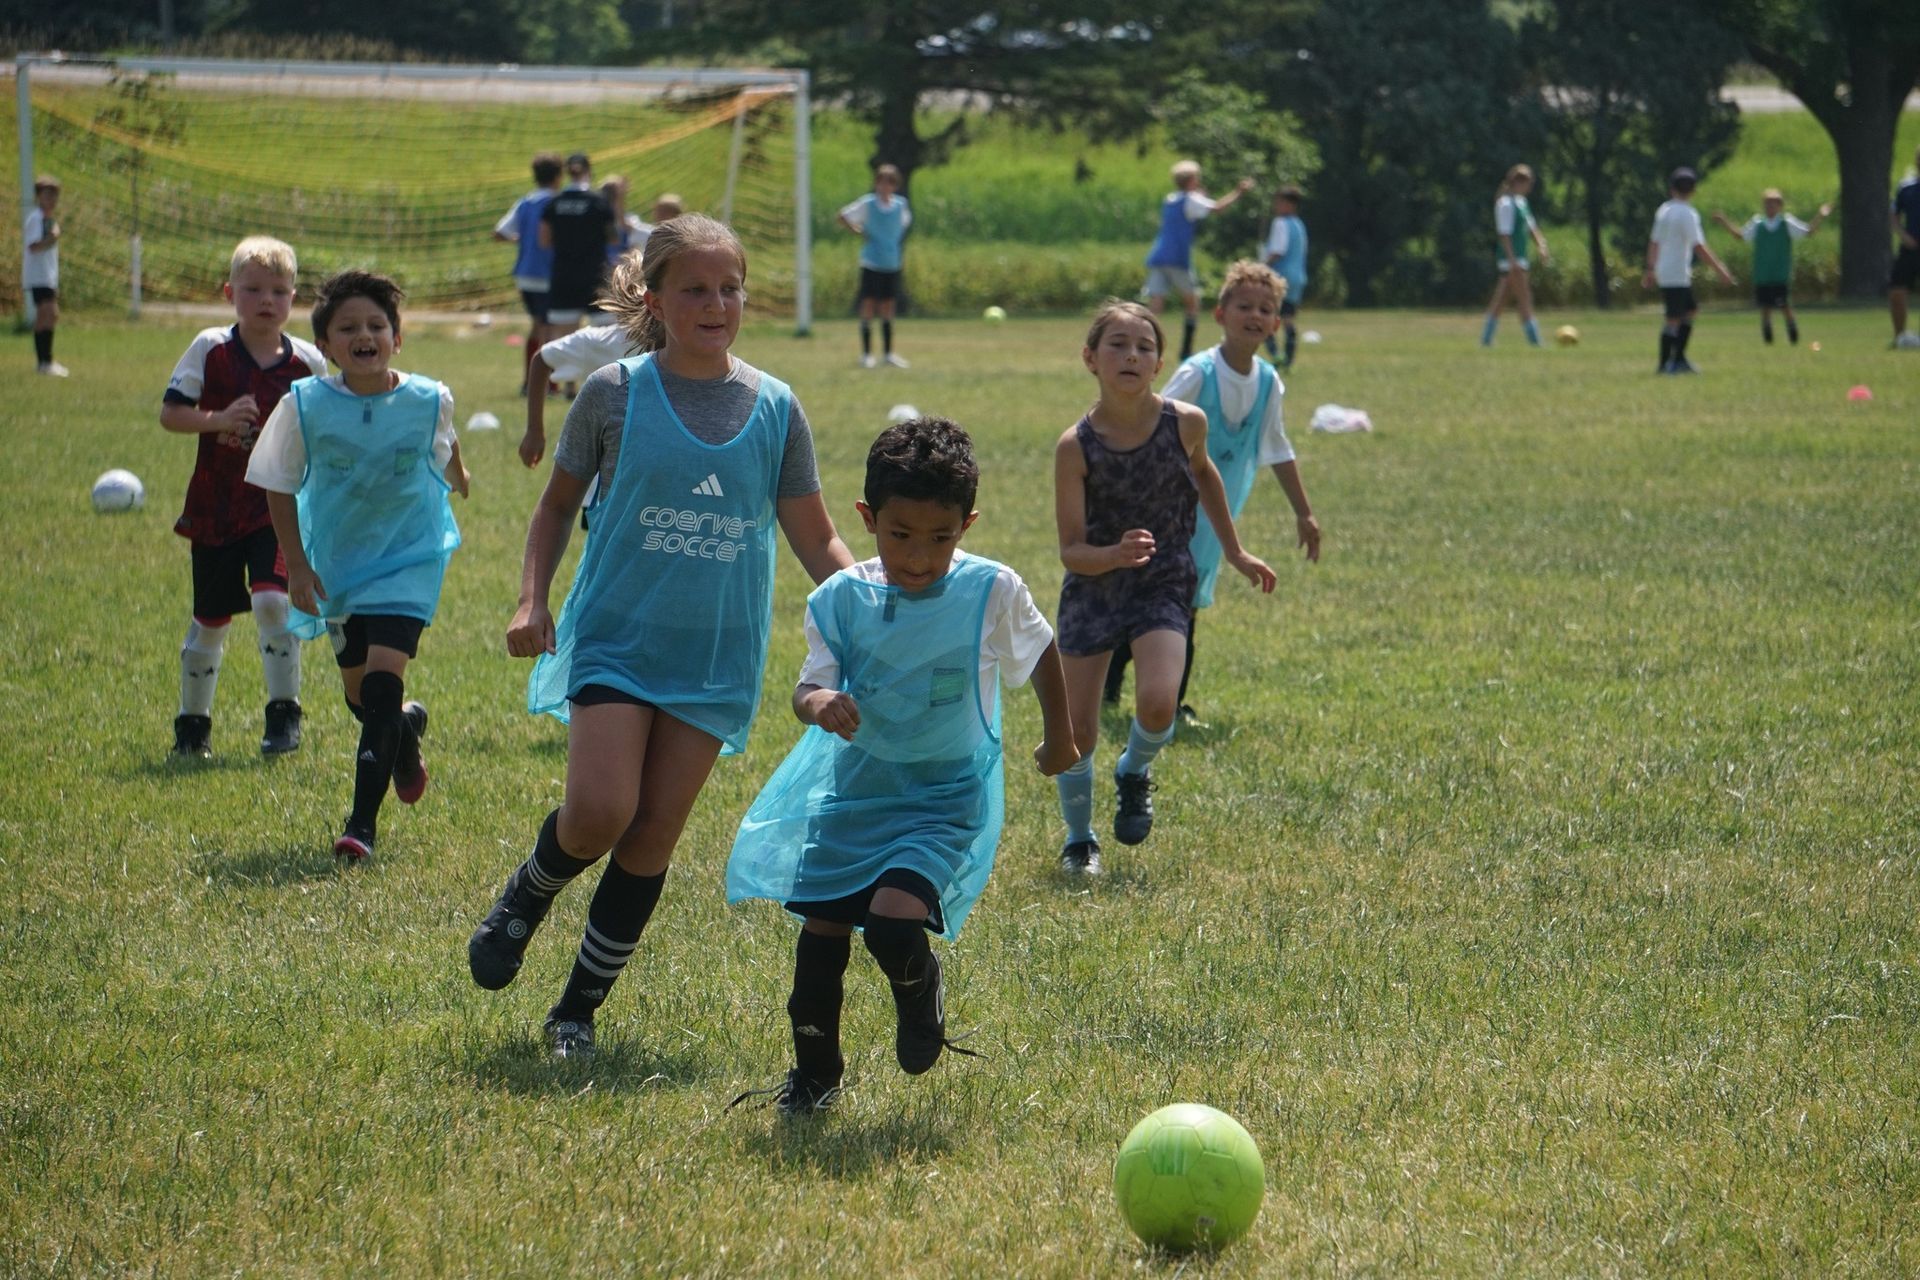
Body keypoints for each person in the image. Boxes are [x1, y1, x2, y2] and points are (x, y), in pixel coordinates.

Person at [468, 215, 855, 1061]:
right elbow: (556, 507)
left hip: (715, 653)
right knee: (602, 813)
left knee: (651, 839)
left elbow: (814, 537)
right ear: (655, 298)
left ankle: (575, 1010)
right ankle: (528, 894)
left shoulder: (777, 407)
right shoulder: (616, 392)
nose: (715, 304)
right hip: (615, 633)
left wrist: (872, 607)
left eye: (730, 289)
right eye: (695, 289)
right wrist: (532, 601)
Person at [726, 418, 1076, 1113]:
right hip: (855, 798)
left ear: (967, 524)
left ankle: (922, 998)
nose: (919, 558)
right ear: (867, 519)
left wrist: (1060, 736)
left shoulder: (991, 591)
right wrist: (820, 700)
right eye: (900, 537)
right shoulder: (840, 600)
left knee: (891, 922)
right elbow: (805, 687)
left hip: (943, 798)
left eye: (941, 539)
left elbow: (1040, 654)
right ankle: (815, 1080)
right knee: (818, 946)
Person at [246, 270, 470, 861]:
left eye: (376, 325)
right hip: (341, 565)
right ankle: (404, 733)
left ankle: (360, 827)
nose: (363, 335)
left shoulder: (429, 398)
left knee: (379, 683)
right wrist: (295, 565)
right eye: (348, 327)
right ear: (324, 345)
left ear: (397, 337)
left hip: (411, 557)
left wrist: (458, 475)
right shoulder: (305, 405)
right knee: (362, 700)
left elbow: (444, 445)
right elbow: (276, 484)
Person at [1052, 301, 1275, 876]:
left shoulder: (1186, 423)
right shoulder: (1074, 447)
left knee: (1157, 704)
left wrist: (1233, 549)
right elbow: (1070, 550)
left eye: (1144, 347)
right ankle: (1080, 840)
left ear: (1159, 363)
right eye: (1117, 345)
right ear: (1090, 359)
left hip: (1163, 578)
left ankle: (1134, 770)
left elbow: (1203, 471)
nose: (1131, 355)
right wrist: (1114, 555)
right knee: (1076, 733)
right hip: (1094, 586)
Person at [159, 236, 329, 760]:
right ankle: (193, 726)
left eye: (278, 291)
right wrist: (217, 420)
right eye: (253, 289)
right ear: (229, 292)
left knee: (274, 601)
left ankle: (284, 715)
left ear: (294, 298)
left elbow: (328, 425)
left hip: (276, 508)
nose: (266, 300)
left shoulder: (309, 362)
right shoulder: (210, 348)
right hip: (216, 504)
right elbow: (171, 413)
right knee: (210, 617)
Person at [1144, 160, 1253, 362]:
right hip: (1177, 258)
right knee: (1192, 303)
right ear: (1192, 179)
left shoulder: (1170, 199)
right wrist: (1239, 191)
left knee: (1156, 305)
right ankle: (1186, 350)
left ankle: (1146, 342)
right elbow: (1218, 208)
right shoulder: (1192, 199)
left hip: (1159, 255)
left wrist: (1199, 196)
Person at [1644, 167, 1736, 374]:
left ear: (1671, 189)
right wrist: (1720, 269)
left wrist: (1650, 269)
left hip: (1666, 270)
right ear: (1693, 190)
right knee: (1674, 318)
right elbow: (1699, 247)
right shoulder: (1687, 213)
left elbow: (1654, 242)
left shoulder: (1664, 210)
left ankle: (1678, 359)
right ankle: (1666, 364)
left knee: (1690, 310)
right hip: (1676, 273)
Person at [1711, 190, 1830, 346]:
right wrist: (1724, 221)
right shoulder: (1757, 224)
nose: (1769, 207)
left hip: (1780, 272)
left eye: (1772, 204)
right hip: (1763, 272)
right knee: (1765, 305)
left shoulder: (1786, 223)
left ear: (1780, 206)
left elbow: (1808, 232)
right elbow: (1740, 236)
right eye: (1766, 204)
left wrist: (1820, 215)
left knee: (1784, 304)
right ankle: (1768, 335)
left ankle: (1792, 330)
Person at [492, 152, 564, 394]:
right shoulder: (558, 203)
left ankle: (529, 382)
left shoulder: (525, 202)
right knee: (549, 329)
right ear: (558, 176)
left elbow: (499, 232)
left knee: (537, 327)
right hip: (548, 274)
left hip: (524, 274)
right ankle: (547, 384)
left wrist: (523, 240)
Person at [517, 321, 631, 471]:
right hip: (605, 477)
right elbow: (543, 359)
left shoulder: (670, 347)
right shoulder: (607, 341)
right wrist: (535, 431)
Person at [540, 151, 619, 354]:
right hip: (595, 274)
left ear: (567, 173)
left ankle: (568, 385)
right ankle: (603, 380)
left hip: (564, 274)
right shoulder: (598, 202)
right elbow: (613, 237)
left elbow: (544, 240)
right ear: (589, 172)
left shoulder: (554, 203)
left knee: (564, 337)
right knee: (604, 333)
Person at [838, 163, 913, 368]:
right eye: (881, 181)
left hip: (891, 262)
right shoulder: (868, 204)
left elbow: (903, 225)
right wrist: (858, 230)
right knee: (869, 305)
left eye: (889, 182)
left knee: (888, 306)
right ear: (876, 183)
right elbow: (843, 216)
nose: (884, 186)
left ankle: (888, 353)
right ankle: (867, 354)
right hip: (871, 261)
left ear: (895, 185)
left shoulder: (900, 205)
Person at [1480, 164, 1551, 348]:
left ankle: (1486, 339)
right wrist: (1512, 260)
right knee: (1525, 298)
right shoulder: (1505, 204)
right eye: (1528, 183)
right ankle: (1535, 340)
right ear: (1518, 182)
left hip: (1519, 258)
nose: (1530, 187)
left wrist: (1541, 245)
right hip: (1512, 260)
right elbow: (1504, 235)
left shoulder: (1521, 203)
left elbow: (1532, 228)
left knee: (1501, 300)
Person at [1261, 186, 1309, 368]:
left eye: (1279, 202)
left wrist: (1261, 266)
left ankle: (1276, 355)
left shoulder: (1280, 223)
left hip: (1280, 277)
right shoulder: (1299, 225)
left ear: (1290, 204)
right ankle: (1289, 360)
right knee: (1288, 318)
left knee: (1266, 315)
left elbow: (1277, 251)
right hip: (1298, 277)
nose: (1276, 205)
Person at [25, 176, 65, 376]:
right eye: (47, 194)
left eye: (54, 195)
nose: (51, 199)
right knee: (50, 314)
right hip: (39, 277)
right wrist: (52, 238)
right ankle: (45, 361)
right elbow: (33, 246)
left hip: (46, 276)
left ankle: (43, 362)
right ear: (39, 197)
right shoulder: (37, 218)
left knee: (46, 315)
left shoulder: (48, 219)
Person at [1891, 146, 1920, 345]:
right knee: (1897, 290)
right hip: (1910, 247)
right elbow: (1893, 216)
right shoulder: (1906, 187)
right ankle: (1899, 336)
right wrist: (1903, 236)